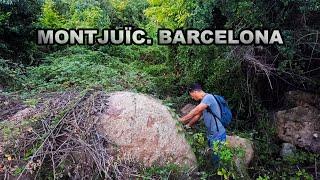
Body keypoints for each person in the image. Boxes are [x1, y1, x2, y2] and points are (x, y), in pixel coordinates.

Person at [179, 83, 226, 167]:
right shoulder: (204, 101)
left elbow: (195, 111)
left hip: (218, 133)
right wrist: (188, 125)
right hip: (211, 133)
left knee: (217, 159)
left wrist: (181, 120)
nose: (192, 98)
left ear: (196, 91)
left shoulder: (208, 98)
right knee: (212, 156)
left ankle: (218, 175)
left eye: (192, 95)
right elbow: (197, 116)